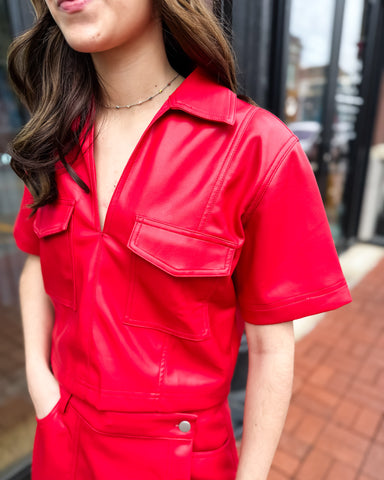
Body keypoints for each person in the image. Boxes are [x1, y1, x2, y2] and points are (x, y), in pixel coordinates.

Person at [9, 1, 351, 479]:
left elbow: (272, 348)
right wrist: (41, 385)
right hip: (60, 445)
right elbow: (32, 262)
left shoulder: (254, 149)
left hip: (179, 463)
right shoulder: (55, 138)